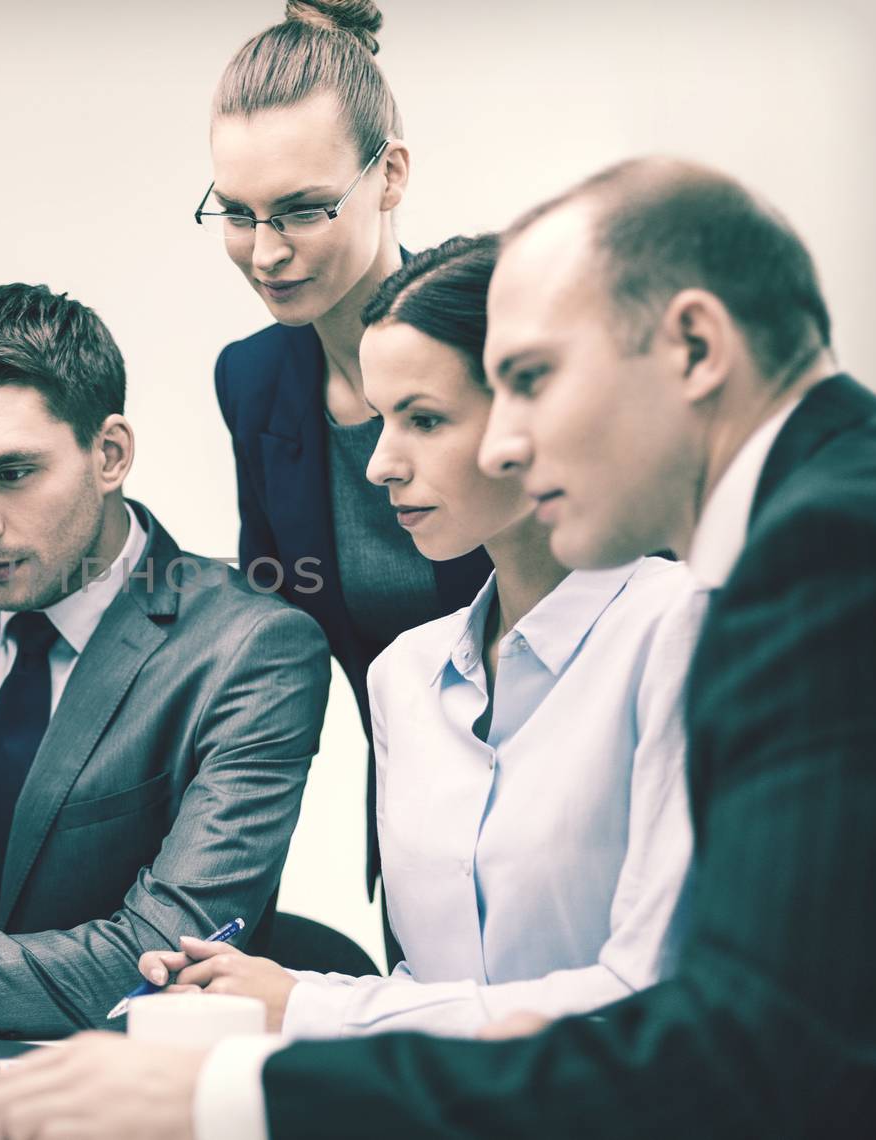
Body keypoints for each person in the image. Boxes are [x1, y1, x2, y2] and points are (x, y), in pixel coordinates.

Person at [0, 158, 876, 1139]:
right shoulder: (822, 522)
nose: (507, 445)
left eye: (532, 381)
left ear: (694, 345)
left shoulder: (825, 549)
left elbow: (752, 1044)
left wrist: (232, 1091)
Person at [132, 234, 699, 1040]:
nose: (379, 464)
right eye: (380, 417)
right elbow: (431, 986)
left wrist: (307, 1006)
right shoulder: (407, 674)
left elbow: (647, 996)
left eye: (423, 420)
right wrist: (250, 992)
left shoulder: (683, 632)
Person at [0, 283, 330, 1040]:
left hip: (150, 1098)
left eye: (11, 473)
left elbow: (157, 963)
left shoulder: (253, 649)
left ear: (109, 454)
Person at [203, 1, 491, 922]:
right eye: (239, 216)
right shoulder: (252, 383)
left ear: (391, 175)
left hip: (575, 820)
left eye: (301, 210)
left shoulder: (500, 331)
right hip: (411, 840)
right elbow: (276, 633)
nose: (268, 252)